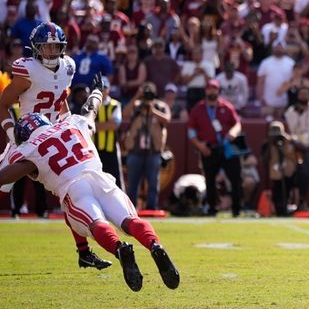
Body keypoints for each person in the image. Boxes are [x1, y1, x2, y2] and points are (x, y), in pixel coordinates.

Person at [0, 78, 179, 292]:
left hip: (74, 189)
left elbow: (7, 176)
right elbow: (91, 109)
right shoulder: (72, 124)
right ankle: (154, 246)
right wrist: (97, 91)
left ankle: (120, 250)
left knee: (96, 224)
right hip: (101, 178)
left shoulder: (29, 149)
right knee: (130, 220)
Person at [0, 22, 110, 270]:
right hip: (27, 139)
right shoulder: (27, 70)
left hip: (53, 136)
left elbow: (60, 101)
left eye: (55, 47)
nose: (50, 52)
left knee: (70, 191)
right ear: (36, 48)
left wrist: (67, 124)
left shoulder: (68, 67)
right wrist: (11, 134)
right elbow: (3, 103)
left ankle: (84, 252)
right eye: (46, 47)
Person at [187, 79, 243, 217]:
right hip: (209, 148)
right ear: (205, 91)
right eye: (209, 89)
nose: (212, 91)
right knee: (210, 180)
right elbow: (191, 131)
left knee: (235, 178)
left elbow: (237, 124)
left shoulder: (226, 106)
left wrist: (233, 132)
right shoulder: (198, 109)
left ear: (218, 90)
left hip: (226, 146)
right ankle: (212, 208)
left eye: (214, 89)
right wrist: (199, 146)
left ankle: (236, 210)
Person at [122, 82, 171, 210]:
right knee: (132, 183)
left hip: (153, 151)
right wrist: (137, 97)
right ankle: (131, 209)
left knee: (153, 183)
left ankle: (151, 208)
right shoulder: (137, 105)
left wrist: (152, 110)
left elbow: (167, 119)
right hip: (135, 151)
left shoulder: (160, 106)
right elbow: (124, 114)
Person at [283, 85, 309, 211]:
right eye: (301, 94)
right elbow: (290, 131)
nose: (303, 96)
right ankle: (288, 201)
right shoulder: (290, 111)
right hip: (294, 146)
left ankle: (302, 201)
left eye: (306, 94)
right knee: (290, 172)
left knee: (306, 174)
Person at [260, 121, 299, 216]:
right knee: (277, 193)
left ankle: (288, 208)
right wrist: (270, 145)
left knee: (288, 191)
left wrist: (286, 143)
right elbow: (264, 161)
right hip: (275, 174)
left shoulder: (289, 142)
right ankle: (278, 209)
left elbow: (297, 158)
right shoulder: (266, 145)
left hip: (288, 174)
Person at [94, 78, 123, 189]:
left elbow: (114, 125)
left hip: (111, 148)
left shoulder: (115, 104)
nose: (102, 90)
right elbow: (87, 124)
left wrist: (96, 125)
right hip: (95, 148)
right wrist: (106, 124)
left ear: (109, 89)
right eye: (100, 87)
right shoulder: (91, 104)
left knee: (115, 179)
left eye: (104, 87)